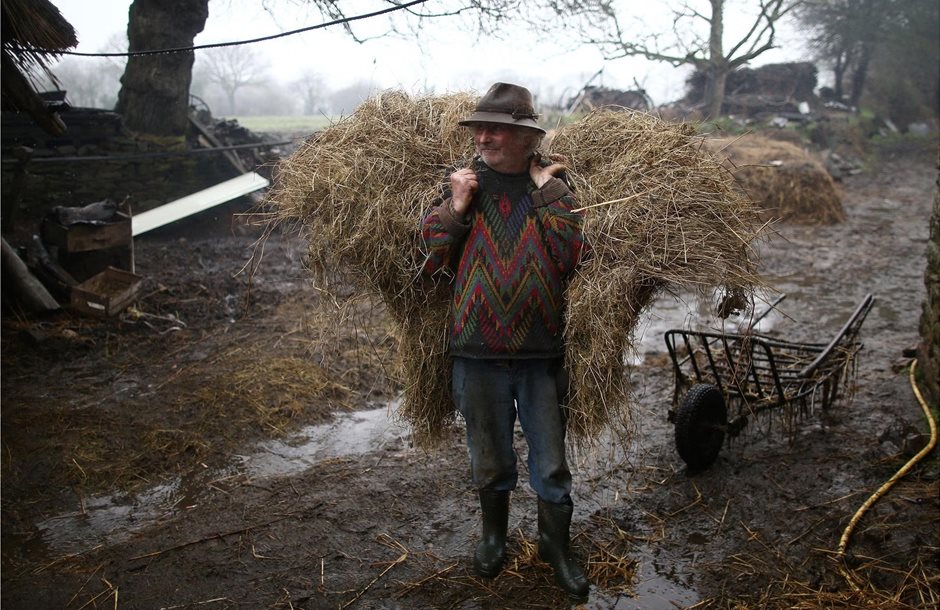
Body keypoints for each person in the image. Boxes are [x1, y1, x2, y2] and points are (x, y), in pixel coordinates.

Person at [420, 82, 590, 599]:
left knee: (552, 461)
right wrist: (456, 204)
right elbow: (427, 261)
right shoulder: (463, 184)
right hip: (477, 351)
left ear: (525, 137)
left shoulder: (555, 190)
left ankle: (554, 546)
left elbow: (572, 258)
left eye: (496, 129)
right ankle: (494, 537)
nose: (484, 137)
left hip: (542, 352)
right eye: (479, 128)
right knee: (489, 457)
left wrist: (549, 193)